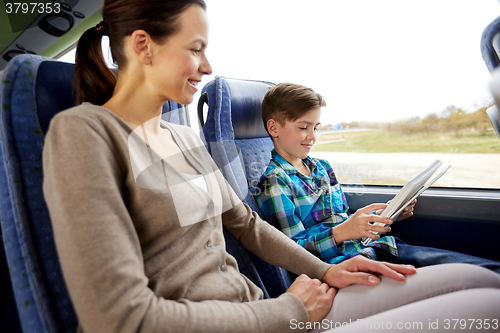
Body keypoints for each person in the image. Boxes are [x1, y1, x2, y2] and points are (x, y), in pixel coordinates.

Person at [42, 1, 500, 332]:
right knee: (487, 310)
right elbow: (118, 320)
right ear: (143, 46)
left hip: (260, 313)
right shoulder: (84, 132)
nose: (207, 66)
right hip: (262, 319)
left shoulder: (180, 136)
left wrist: (325, 272)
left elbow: (247, 225)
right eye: (196, 49)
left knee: (481, 283)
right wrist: (289, 312)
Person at [254, 82, 500, 275]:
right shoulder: (275, 182)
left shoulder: (322, 167)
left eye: (316, 127)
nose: (312, 136)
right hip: (348, 266)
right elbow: (293, 252)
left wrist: (383, 217)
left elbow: (338, 220)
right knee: (474, 277)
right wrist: (343, 232)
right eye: (303, 127)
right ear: (274, 128)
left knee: (482, 269)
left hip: (379, 249)